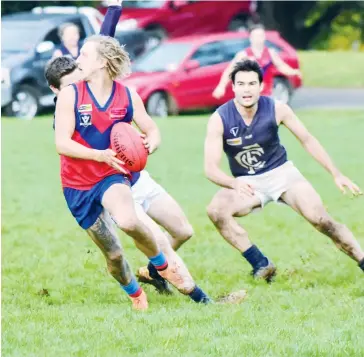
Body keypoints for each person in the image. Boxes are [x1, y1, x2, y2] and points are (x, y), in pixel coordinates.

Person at [205, 59, 364, 281]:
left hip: (282, 173)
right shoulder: (219, 119)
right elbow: (210, 168)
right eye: (241, 84)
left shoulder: (277, 109)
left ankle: (362, 259)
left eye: (252, 84)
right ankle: (260, 263)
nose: (246, 89)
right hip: (246, 181)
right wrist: (234, 183)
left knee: (321, 220)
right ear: (233, 87)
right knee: (216, 210)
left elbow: (307, 140)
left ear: (261, 86)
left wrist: (335, 173)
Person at [212, 24, 301, 100]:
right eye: (256, 36)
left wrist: (293, 72)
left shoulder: (270, 53)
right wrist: (221, 86)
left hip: (267, 94)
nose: (259, 39)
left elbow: (281, 66)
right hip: (249, 96)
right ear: (251, 38)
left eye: (261, 36)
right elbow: (229, 71)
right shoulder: (244, 55)